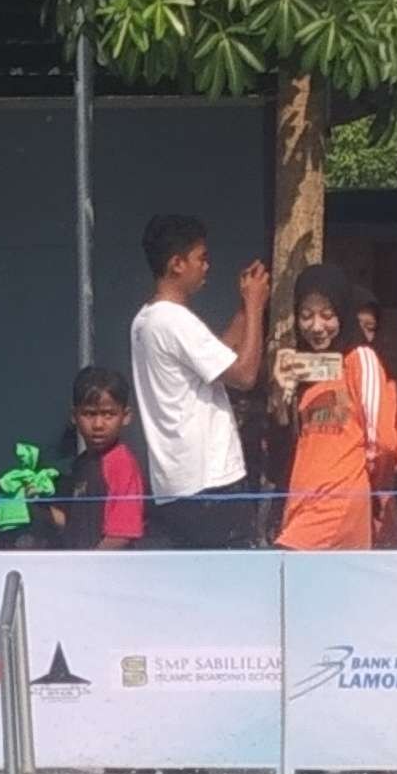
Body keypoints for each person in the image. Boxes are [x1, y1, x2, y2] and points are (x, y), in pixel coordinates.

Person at [123, 213, 266, 545]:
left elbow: (219, 357)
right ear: (177, 264)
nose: (206, 267)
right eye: (200, 258)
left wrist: (244, 310)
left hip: (175, 483)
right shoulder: (174, 320)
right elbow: (244, 375)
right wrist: (256, 307)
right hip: (210, 480)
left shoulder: (144, 321)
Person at [272, 264, 397, 552]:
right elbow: (286, 449)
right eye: (306, 315)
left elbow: (383, 442)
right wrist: (281, 395)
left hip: (339, 503)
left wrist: (371, 492)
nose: (316, 327)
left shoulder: (360, 358)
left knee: (278, 577)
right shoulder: (302, 368)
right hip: (301, 504)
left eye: (327, 315)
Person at [52, 366, 148, 549]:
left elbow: (121, 533)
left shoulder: (121, 463)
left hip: (107, 572)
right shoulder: (81, 464)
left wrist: (89, 565)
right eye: (89, 414)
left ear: (126, 416)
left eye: (108, 414)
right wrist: (33, 505)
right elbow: (74, 525)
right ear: (74, 416)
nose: (98, 424)